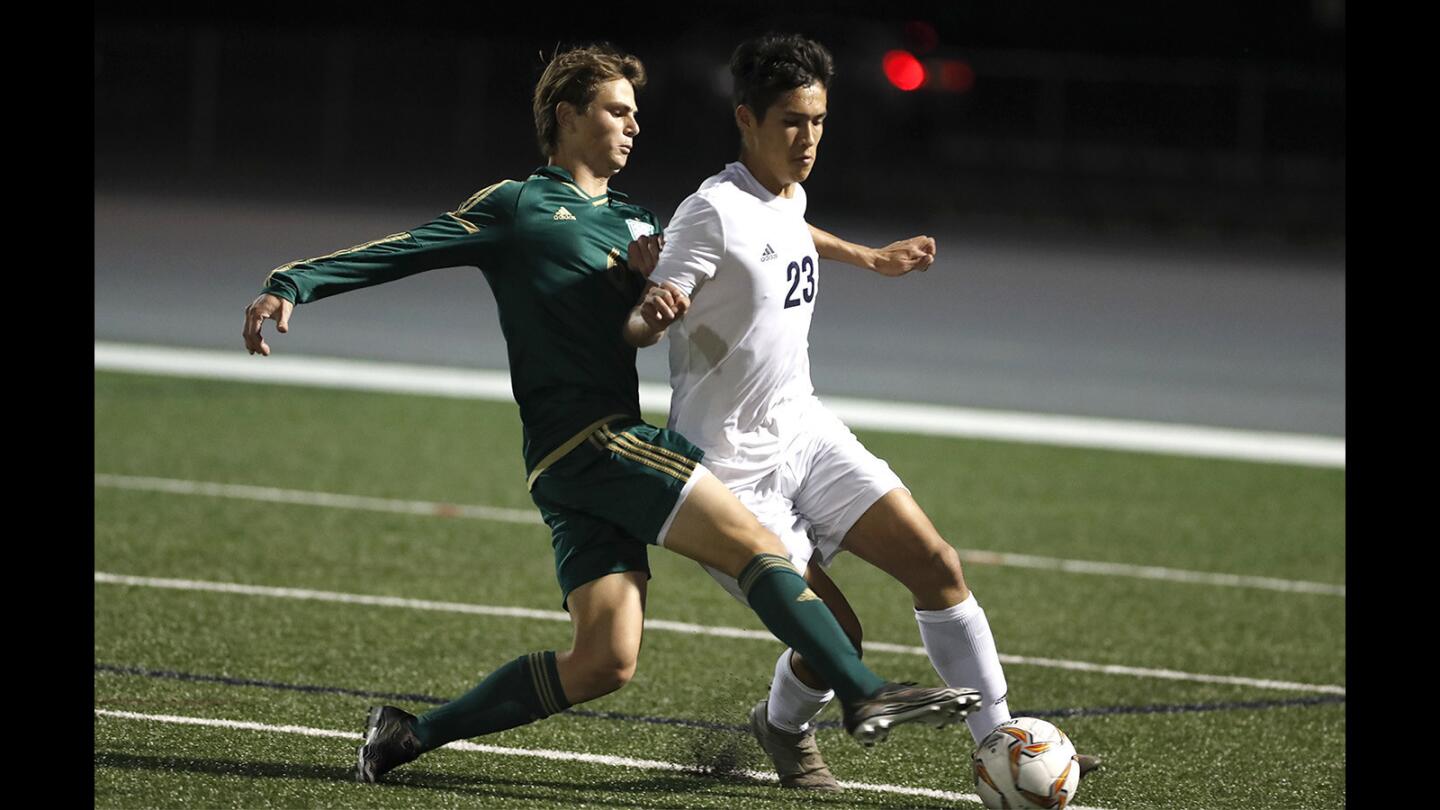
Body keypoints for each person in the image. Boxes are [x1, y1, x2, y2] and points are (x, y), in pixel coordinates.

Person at [240, 43, 979, 786]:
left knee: (604, 662)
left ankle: (406, 735)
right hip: (595, 441)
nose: (632, 127)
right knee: (755, 543)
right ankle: (863, 692)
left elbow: (774, 231)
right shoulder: (517, 206)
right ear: (568, 115)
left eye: (635, 114)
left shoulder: (634, 223)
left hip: (575, 471)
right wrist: (292, 283)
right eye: (616, 111)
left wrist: (861, 257)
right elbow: (409, 247)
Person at [624, 34, 1099, 790]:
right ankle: (781, 726)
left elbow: (790, 231)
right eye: (791, 122)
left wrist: (867, 257)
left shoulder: (785, 191)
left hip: (804, 430)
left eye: (817, 120)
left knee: (936, 565)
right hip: (730, 472)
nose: (808, 138)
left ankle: (1002, 741)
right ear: (746, 119)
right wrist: (651, 309)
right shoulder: (707, 213)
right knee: (837, 632)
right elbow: (649, 314)